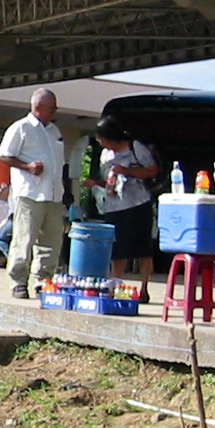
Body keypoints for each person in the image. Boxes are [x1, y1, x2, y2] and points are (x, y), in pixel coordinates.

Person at [0, 88, 66, 299]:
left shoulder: (55, 131)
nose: (54, 113)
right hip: (30, 193)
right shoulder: (21, 128)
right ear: (37, 107)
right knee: (24, 238)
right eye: (51, 108)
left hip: (53, 194)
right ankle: (18, 281)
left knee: (51, 242)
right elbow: (3, 155)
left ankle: (43, 281)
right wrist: (27, 166)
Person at [82, 116, 158, 300]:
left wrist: (126, 170)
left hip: (138, 202)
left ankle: (145, 287)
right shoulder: (105, 155)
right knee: (117, 249)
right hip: (114, 205)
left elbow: (152, 170)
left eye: (103, 139)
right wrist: (96, 183)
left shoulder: (134, 147)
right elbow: (108, 179)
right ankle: (116, 284)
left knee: (141, 248)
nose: (101, 143)